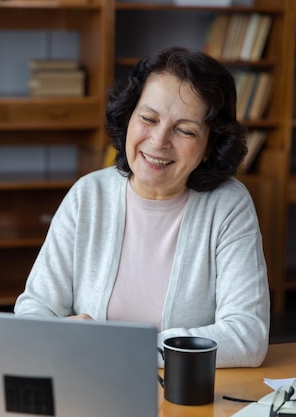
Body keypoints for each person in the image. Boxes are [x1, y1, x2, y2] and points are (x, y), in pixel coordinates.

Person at [14, 46, 270, 368]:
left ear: (209, 147)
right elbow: (34, 312)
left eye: (185, 130)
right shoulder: (88, 195)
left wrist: (123, 346)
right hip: (90, 384)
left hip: (183, 396)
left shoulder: (228, 205)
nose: (159, 140)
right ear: (128, 118)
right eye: (148, 118)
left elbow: (247, 337)